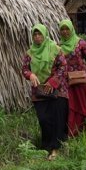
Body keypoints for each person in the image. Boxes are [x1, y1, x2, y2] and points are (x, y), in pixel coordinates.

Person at [22, 23, 69, 160]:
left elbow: (63, 67)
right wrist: (30, 75)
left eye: (39, 34)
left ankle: (55, 148)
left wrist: (53, 82)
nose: (37, 37)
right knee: (43, 119)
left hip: (57, 90)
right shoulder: (30, 53)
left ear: (44, 34)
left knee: (57, 119)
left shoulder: (55, 49)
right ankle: (46, 146)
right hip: (40, 91)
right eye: (35, 35)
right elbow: (24, 68)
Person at [59, 19, 86, 137]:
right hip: (69, 82)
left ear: (71, 29)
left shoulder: (81, 43)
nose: (64, 32)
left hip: (83, 81)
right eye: (62, 29)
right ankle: (75, 131)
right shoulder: (59, 47)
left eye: (66, 29)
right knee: (73, 106)